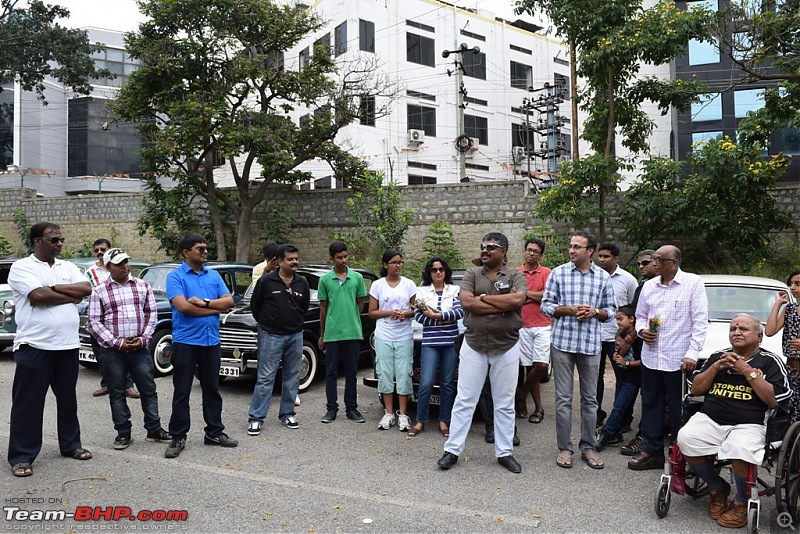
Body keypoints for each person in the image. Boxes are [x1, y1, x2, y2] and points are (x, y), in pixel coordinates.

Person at [676, 314, 791, 528]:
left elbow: (775, 401)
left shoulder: (770, 361)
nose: (736, 332)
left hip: (750, 422)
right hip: (711, 418)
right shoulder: (718, 356)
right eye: (733, 328)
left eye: (743, 329)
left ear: (759, 336)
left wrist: (748, 371)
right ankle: (717, 487)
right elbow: (696, 389)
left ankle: (741, 500)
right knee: (686, 439)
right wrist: (716, 367)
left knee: (739, 448)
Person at [7, 222, 93, 477]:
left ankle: (71, 445)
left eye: (61, 240)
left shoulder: (68, 267)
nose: (60, 244)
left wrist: (53, 288)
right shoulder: (22, 267)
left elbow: (87, 289)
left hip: (67, 346)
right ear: (37, 242)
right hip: (35, 345)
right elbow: (37, 296)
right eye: (54, 240)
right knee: (28, 404)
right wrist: (69, 296)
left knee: (68, 400)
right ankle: (22, 456)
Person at [437, 232, 527, 474]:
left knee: (505, 403)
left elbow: (518, 300)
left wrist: (484, 298)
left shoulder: (515, 274)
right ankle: (452, 451)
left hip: (506, 346)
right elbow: (467, 302)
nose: (485, 250)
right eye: (482, 246)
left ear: (504, 252)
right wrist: (501, 304)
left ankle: (504, 453)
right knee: (465, 400)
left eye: (491, 247)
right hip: (474, 345)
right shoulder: (471, 274)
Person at [541, 230, 616, 470]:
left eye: (577, 247)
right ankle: (564, 447)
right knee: (563, 398)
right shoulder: (558, 273)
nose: (571, 250)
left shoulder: (603, 277)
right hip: (562, 343)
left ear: (590, 251)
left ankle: (588, 447)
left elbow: (611, 310)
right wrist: (570, 310)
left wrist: (594, 312)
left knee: (590, 399)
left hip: (591, 345)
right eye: (570, 246)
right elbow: (546, 305)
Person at [629, 244, 708, 470]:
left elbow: (700, 321)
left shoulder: (693, 283)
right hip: (652, 356)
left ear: (672, 264)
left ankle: (681, 456)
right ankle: (652, 451)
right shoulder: (649, 286)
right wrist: (643, 330)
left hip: (678, 359)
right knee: (651, 404)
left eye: (658, 260)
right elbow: (640, 315)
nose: (653, 264)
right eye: (653, 259)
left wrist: (692, 353)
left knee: (678, 409)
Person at [86, 248, 171, 450]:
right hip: (113, 350)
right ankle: (123, 433)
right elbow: (94, 323)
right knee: (117, 392)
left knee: (148, 390)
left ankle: (154, 428)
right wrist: (117, 343)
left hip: (139, 347)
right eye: (119, 263)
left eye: (126, 261)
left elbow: (151, 315)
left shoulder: (143, 286)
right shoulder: (99, 291)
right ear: (108, 267)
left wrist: (143, 339)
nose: (125, 266)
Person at [163, 233, 237, 458]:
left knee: (212, 389)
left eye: (205, 248)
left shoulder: (213, 275)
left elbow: (230, 301)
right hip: (186, 342)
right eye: (200, 248)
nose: (205, 251)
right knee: (182, 390)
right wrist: (216, 309)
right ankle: (178, 436)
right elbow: (184, 308)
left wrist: (205, 303)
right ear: (186, 252)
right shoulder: (175, 277)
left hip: (211, 341)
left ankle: (214, 432)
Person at [247, 244, 310, 435]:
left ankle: (287, 414)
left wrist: (294, 324)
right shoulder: (266, 282)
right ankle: (256, 418)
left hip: (295, 335)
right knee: (266, 377)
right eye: (290, 259)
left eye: (296, 259)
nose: (294, 262)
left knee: (292, 376)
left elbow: (304, 307)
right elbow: (255, 307)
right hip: (271, 335)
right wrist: (270, 324)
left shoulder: (302, 282)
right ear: (280, 261)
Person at [409, 257, 463, 438]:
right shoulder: (421, 291)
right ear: (429, 273)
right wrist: (443, 318)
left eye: (441, 269)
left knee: (447, 384)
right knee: (425, 383)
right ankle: (420, 421)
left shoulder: (454, 290)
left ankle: (444, 421)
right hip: (430, 343)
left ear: (446, 271)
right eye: (434, 270)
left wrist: (434, 315)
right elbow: (419, 317)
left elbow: (459, 313)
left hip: (450, 343)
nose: (438, 272)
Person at [317, 241, 369, 423]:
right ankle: (331, 409)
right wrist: (323, 334)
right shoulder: (325, 280)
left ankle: (352, 408)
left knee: (351, 373)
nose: (343, 260)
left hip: (353, 333)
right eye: (339, 258)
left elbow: (360, 303)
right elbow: (323, 308)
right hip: (332, 334)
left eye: (345, 256)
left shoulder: (356, 278)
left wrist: (351, 319)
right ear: (331, 258)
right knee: (330, 373)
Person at [369, 249, 416, 431]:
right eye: (394, 262)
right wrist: (390, 312)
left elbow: (418, 308)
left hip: (404, 335)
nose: (398, 266)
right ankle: (388, 412)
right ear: (385, 265)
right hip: (384, 335)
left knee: (404, 373)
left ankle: (403, 414)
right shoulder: (378, 285)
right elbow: (372, 312)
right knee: (385, 372)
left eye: (400, 262)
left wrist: (405, 313)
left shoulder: (409, 284)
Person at [87, 238, 139, 400]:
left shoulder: (122, 268)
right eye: (96, 250)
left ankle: (128, 385)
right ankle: (107, 384)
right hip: (98, 317)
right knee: (102, 353)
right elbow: (87, 291)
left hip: (117, 319)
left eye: (103, 249)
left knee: (125, 353)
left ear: (109, 250)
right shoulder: (90, 272)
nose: (100, 253)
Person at [595, 242, 638, 429]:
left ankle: (622, 419)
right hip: (595, 335)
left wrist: (628, 335)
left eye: (606, 256)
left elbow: (633, 309)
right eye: (600, 256)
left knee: (623, 376)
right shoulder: (593, 277)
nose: (602, 260)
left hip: (619, 338)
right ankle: (596, 415)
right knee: (595, 377)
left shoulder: (628, 280)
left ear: (616, 258)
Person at [619, 248, 658, 456]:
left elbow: (656, 318)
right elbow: (635, 316)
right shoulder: (643, 285)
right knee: (632, 386)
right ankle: (621, 425)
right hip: (639, 346)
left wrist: (632, 338)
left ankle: (645, 436)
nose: (641, 267)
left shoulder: (664, 287)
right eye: (639, 264)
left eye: (646, 263)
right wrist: (625, 338)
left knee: (652, 395)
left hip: (658, 348)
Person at [514, 237, 552, 424]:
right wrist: (533, 297)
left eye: (535, 251)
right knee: (528, 367)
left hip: (542, 324)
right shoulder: (516, 273)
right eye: (528, 249)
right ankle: (538, 409)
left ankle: (521, 395)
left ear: (540, 255)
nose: (531, 253)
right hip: (522, 324)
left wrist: (526, 295)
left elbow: (548, 295)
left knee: (541, 365)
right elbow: (514, 297)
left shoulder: (546, 273)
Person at [596, 305, 641, 450]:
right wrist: (617, 356)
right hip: (622, 375)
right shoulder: (620, 334)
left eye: (621, 319)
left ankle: (604, 434)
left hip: (634, 377)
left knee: (620, 407)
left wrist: (626, 362)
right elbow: (620, 352)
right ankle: (614, 435)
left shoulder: (639, 337)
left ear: (632, 319)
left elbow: (644, 360)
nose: (618, 322)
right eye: (616, 319)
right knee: (619, 405)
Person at [766, 270, 800, 421]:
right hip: (792, 368)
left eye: (797, 284)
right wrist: (778, 303)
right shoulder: (790, 310)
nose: (792, 288)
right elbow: (769, 331)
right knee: (793, 414)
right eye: (791, 284)